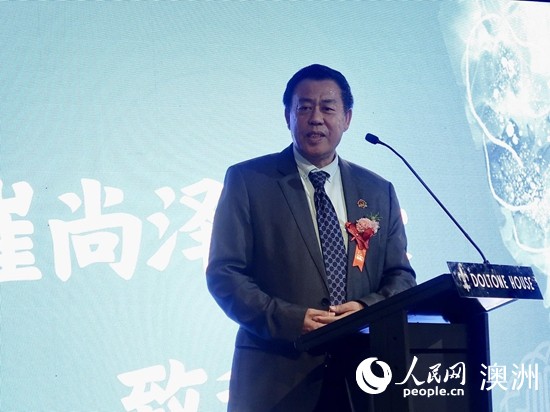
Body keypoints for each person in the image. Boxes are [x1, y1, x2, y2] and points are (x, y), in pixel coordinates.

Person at [206, 64, 416, 411]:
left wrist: (366, 310)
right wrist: (291, 319)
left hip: (363, 379)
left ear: (347, 118)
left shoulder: (378, 191)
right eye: (304, 107)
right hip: (276, 379)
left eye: (327, 108)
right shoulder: (249, 181)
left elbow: (401, 277)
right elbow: (225, 274)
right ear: (287, 116)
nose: (315, 118)